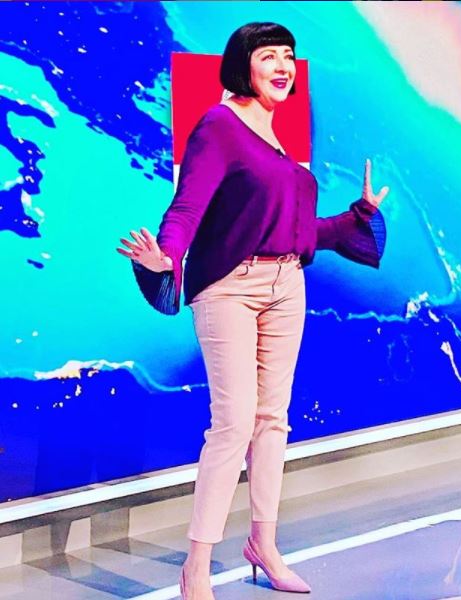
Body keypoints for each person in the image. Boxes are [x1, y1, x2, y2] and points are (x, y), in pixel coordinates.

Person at [117, 21, 389, 600]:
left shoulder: (277, 137)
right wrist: (166, 255)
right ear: (244, 65)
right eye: (269, 55)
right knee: (234, 423)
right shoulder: (219, 126)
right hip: (230, 289)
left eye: (288, 55)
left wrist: (357, 216)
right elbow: (186, 207)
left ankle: (264, 545)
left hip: (288, 285)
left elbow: (297, 231)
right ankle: (196, 566)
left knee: (272, 420)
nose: (283, 65)